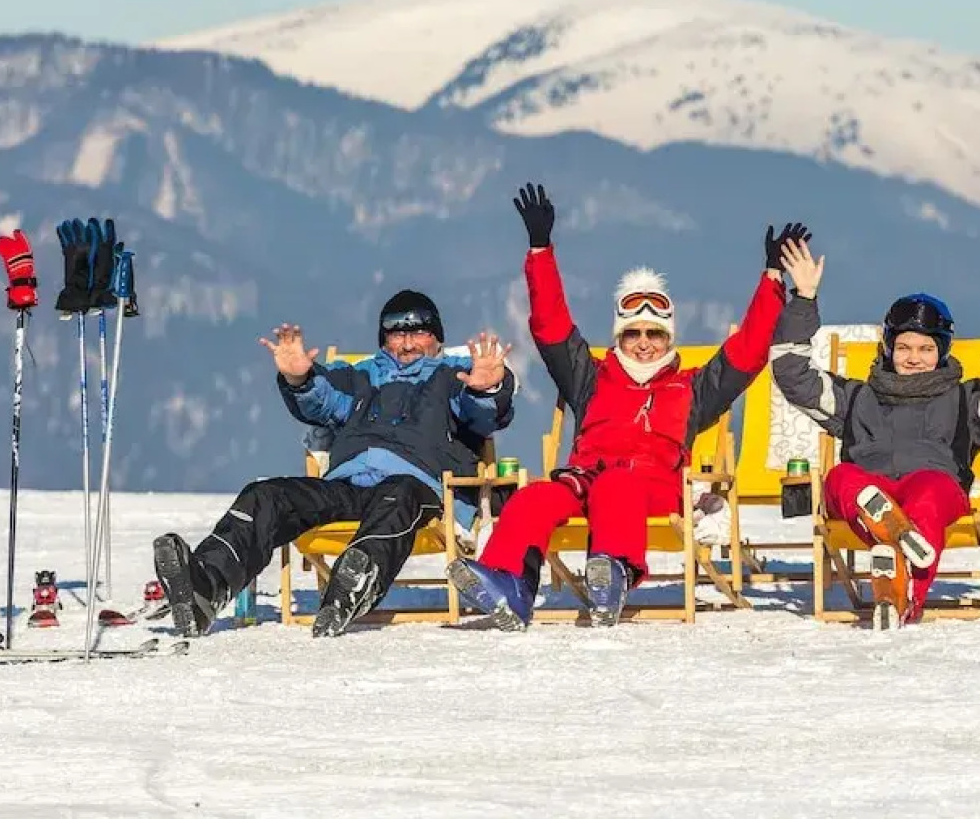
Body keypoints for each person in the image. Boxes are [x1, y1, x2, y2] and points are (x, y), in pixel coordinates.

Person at [447, 182, 797, 629]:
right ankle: (509, 583)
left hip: (650, 486)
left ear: (669, 338)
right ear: (619, 337)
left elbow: (747, 352)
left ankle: (613, 572)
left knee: (618, 485)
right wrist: (540, 250)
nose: (644, 344)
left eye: (655, 334)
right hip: (582, 480)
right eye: (634, 334)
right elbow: (551, 326)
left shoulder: (690, 388)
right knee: (534, 497)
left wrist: (771, 280)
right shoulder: (591, 376)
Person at [152, 290, 518, 638]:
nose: (407, 343)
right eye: (396, 334)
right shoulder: (359, 375)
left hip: (418, 485)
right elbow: (322, 401)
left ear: (437, 338)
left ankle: (356, 580)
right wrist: (299, 379)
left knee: (400, 493)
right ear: (383, 339)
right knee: (266, 495)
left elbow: (482, 417)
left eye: (419, 332)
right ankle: (205, 586)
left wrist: (485, 389)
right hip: (348, 484)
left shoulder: (454, 375)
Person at [770, 236, 980, 628]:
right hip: (869, 488)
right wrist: (803, 298)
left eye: (925, 349)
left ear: (942, 352)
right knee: (842, 477)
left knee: (930, 493)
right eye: (903, 347)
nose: (913, 357)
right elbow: (792, 376)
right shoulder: (857, 398)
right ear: (888, 348)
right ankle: (896, 551)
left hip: (932, 486)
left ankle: (898, 568)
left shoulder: (965, 401)